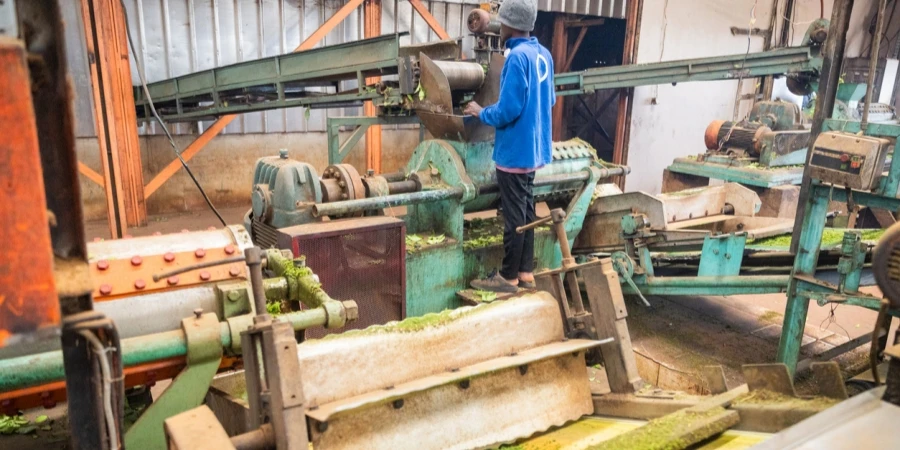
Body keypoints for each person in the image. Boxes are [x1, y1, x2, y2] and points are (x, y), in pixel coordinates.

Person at [464, 0, 554, 293]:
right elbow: (548, 100)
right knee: (527, 212)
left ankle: (507, 278)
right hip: (534, 150)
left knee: (513, 217)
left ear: (511, 25)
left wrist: (480, 112)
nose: (498, 27)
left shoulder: (516, 59)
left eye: (500, 23)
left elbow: (508, 111)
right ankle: (525, 272)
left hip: (515, 150)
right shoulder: (543, 54)